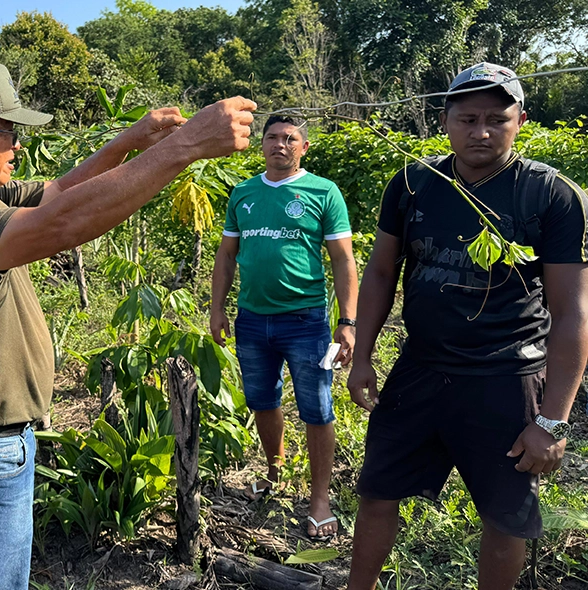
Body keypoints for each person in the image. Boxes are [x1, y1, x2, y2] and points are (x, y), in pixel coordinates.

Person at [0, 56, 256, 589]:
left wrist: (131, 142)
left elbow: (59, 193)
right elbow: (62, 223)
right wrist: (186, 148)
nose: (17, 145)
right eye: (8, 132)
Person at [346, 62, 588, 589]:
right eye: (468, 118)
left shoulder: (550, 195)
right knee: (378, 491)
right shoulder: (413, 181)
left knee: (504, 517)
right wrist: (362, 355)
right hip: (421, 368)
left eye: (496, 119)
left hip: (506, 378)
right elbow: (382, 271)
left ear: (521, 119)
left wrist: (551, 421)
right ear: (444, 119)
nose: (481, 131)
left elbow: (571, 313)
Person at [210, 115, 358, 541]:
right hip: (252, 320)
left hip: (306, 321)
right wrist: (218, 309)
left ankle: (320, 499)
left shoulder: (323, 192)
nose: (280, 144)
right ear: (261, 145)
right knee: (262, 400)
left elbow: (344, 261)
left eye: (290, 138)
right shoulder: (243, 193)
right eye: (272, 137)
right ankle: (274, 472)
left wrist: (345, 323)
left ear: (304, 147)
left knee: (317, 408)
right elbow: (226, 256)